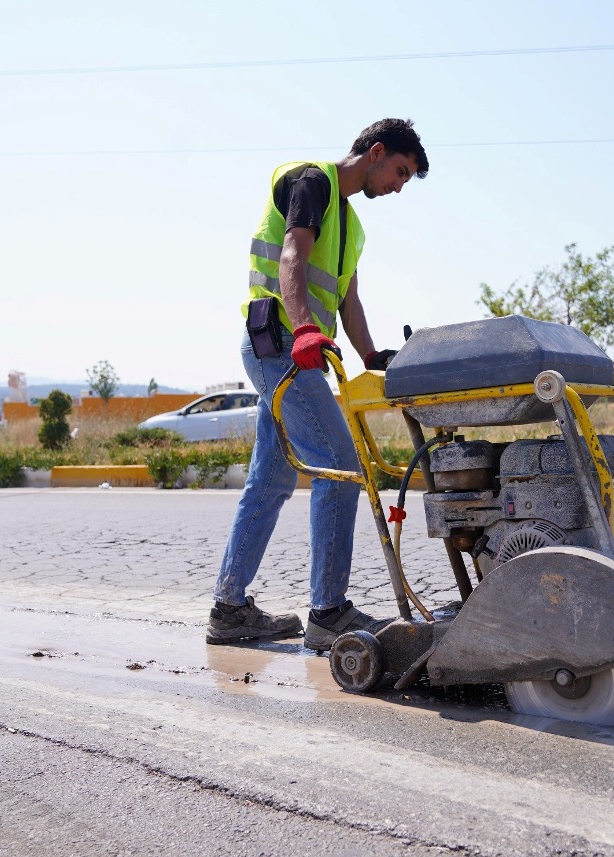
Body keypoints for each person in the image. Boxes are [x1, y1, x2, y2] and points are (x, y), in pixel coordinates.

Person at [206, 118, 429, 651]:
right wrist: (305, 327)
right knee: (342, 465)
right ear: (375, 152)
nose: (400, 185)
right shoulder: (314, 182)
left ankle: (229, 609)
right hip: (279, 344)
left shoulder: (352, 225)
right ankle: (328, 613)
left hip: (300, 354)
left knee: (270, 481)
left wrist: (373, 354)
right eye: (400, 171)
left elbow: (349, 302)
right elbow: (292, 258)